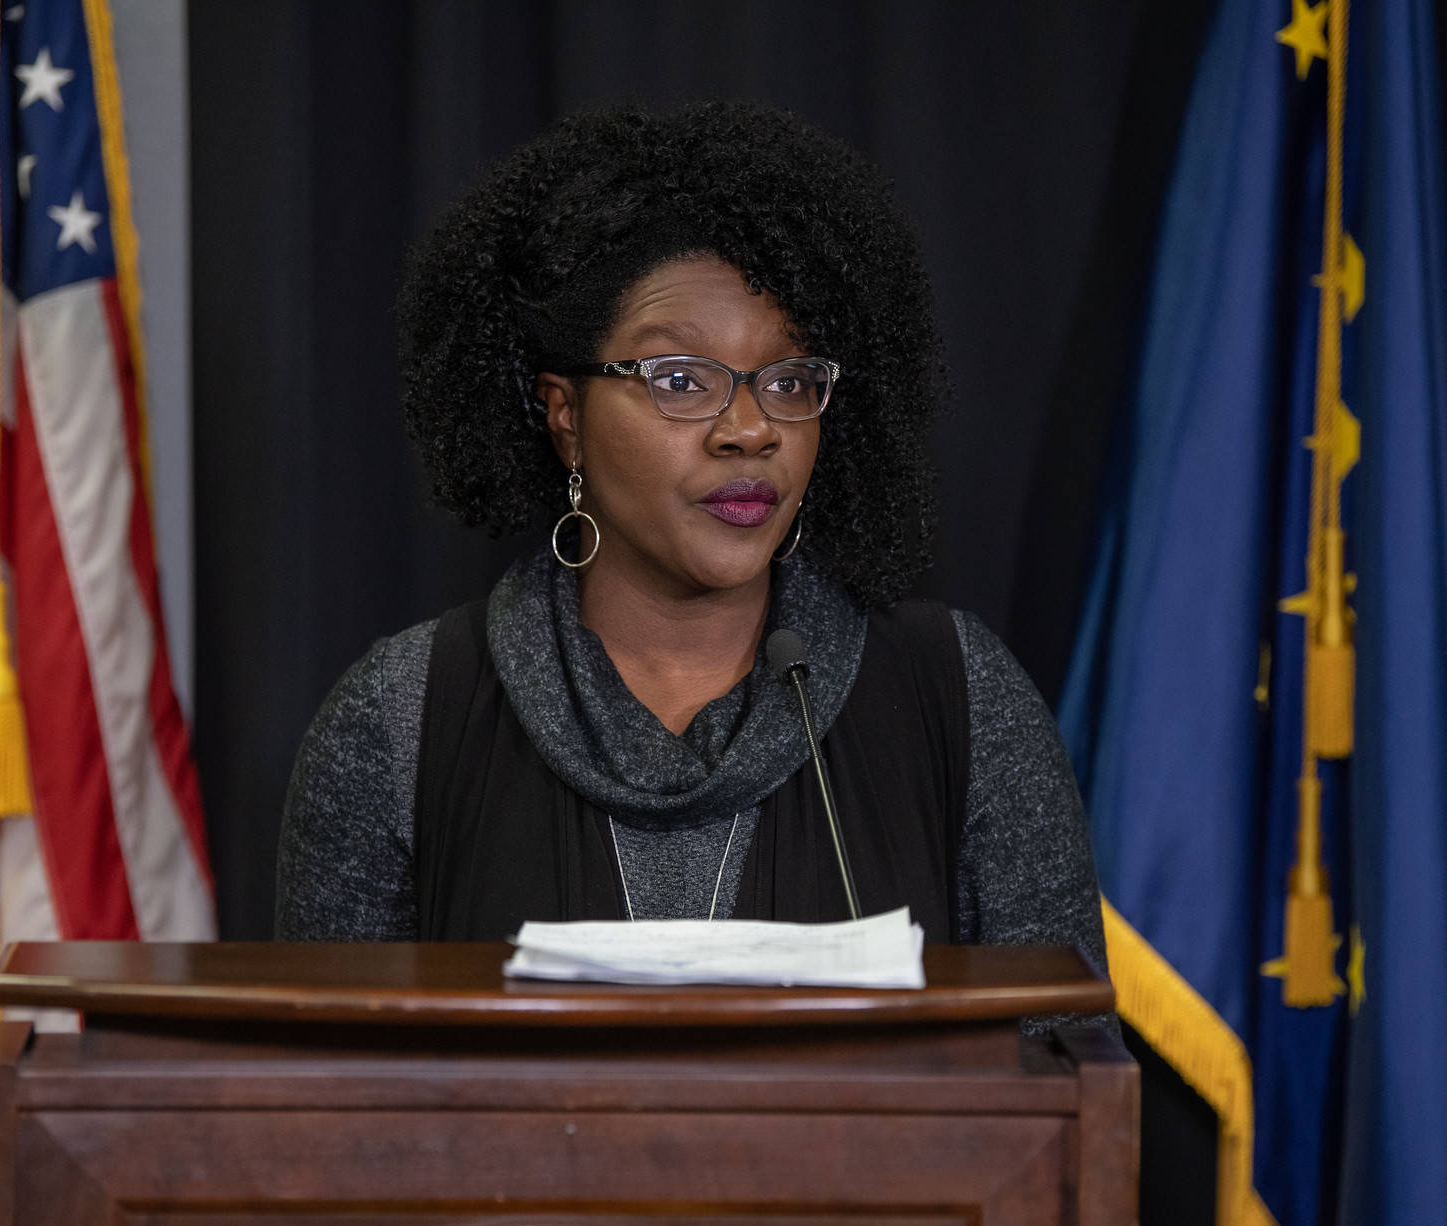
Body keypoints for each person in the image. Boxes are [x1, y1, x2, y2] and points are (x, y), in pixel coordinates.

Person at [275, 102, 1103, 973]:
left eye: (788, 379)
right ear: (565, 416)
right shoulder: (403, 716)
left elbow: (1064, 1072)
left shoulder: (957, 697)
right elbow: (332, 1096)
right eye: (678, 377)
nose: (750, 429)